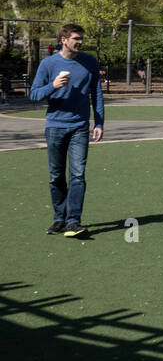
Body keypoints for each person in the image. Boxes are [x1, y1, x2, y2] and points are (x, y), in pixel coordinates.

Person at [29, 22, 104, 238]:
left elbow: (96, 94)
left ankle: (74, 221)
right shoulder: (48, 64)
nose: (80, 42)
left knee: (78, 174)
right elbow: (33, 95)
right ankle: (59, 218)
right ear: (64, 40)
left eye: (81, 38)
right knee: (56, 175)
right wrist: (53, 86)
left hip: (80, 126)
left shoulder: (89, 62)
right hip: (55, 126)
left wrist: (99, 123)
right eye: (76, 39)